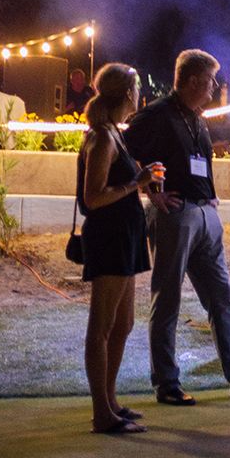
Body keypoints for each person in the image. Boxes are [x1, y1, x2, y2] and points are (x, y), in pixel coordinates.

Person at [123, 49, 230, 406]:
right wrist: (149, 191)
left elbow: (200, 161)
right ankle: (166, 383)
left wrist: (211, 197)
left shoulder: (196, 117)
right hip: (175, 214)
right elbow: (123, 149)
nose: (214, 88)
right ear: (192, 81)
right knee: (167, 299)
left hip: (205, 214)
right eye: (210, 81)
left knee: (222, 298)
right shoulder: (158, 114)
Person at [78, 63, 160, 434]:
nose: (140, 93)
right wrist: (135, 183)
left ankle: (110, 401)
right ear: (128, 93)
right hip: (109, 237)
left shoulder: (114, 132)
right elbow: (92, 198)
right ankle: (101, 413)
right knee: (102, 326)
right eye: (137, 87)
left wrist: (143, 180)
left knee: (123, 323)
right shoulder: (102, 137)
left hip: (126, 236)